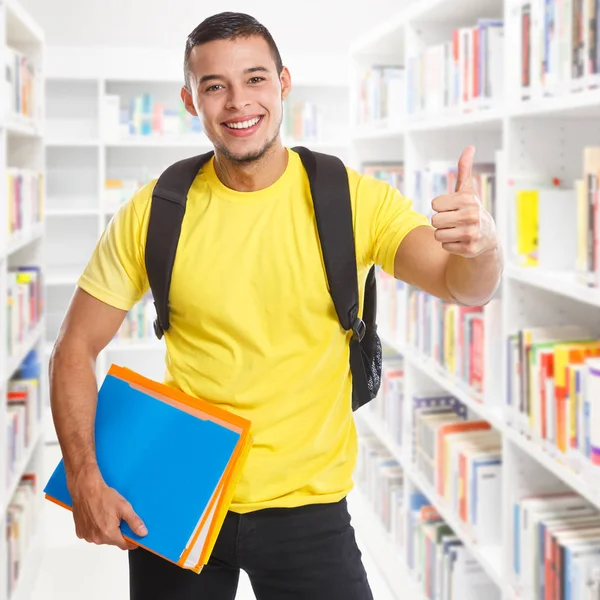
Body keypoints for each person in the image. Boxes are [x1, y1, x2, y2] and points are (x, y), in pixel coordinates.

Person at [48, 11, 503, 600]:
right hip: (180, 495)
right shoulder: (158, 209)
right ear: (191, 100)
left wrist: (482, 247)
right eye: (215, 86)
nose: (239, 102)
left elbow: (462, 285)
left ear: (284, 82)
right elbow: (75, 346)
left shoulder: (348, 197)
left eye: (256, 79)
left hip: (309, 510)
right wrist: (84, 474)